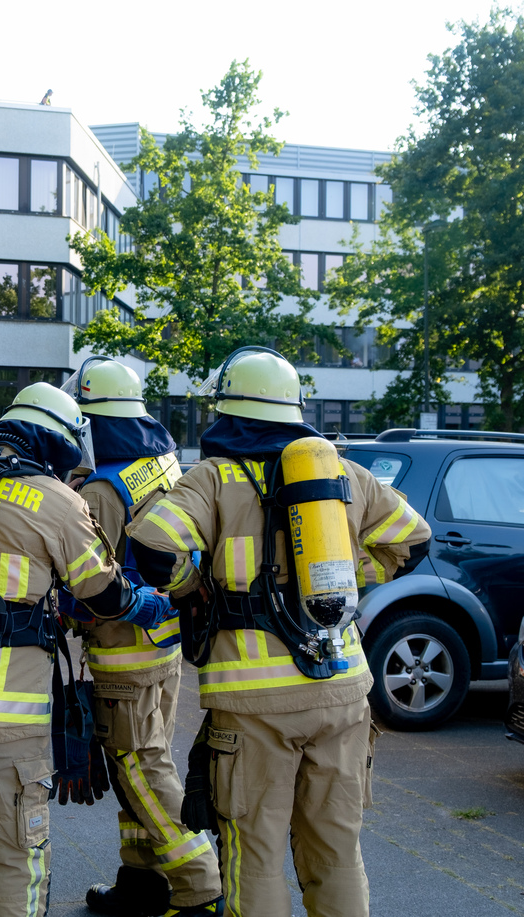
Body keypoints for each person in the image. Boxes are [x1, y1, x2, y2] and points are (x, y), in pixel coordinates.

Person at [126, 346, 432, 917]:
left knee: (255, 854)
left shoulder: (213, 478)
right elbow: (413, 541)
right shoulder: (344, 473)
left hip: (254, 700)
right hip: (342, 689)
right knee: (337, 850)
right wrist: (349, 581)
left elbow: (152, 547)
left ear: (229, 411)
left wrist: (194, 586)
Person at [0, 382, 175, 917]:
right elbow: (102, 591)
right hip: (0, 720)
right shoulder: (54, 499)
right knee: (13, 861)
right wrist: (146, 605)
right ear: (59, 442)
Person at [65, 358, 223, 917]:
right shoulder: (161, 464)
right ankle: (142, 880)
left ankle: (200, 884)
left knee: (138, 766)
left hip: (121, 654)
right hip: (163, 643)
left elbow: (86, 584)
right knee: (141, 765)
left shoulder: (102, 490)